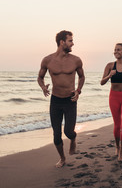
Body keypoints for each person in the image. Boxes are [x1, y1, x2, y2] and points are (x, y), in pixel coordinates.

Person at [37, 30, 85, 168]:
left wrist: (78, 91)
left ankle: (73, 138)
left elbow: (81, 77)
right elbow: (40, 77)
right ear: (62, 42)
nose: (73, 43)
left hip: (70, 100)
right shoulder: (48, 60)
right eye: (70, 40)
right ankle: (62, 158)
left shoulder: (76, 60)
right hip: (56, 101)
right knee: (56, 134)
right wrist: (43, 87)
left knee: (69, 132)